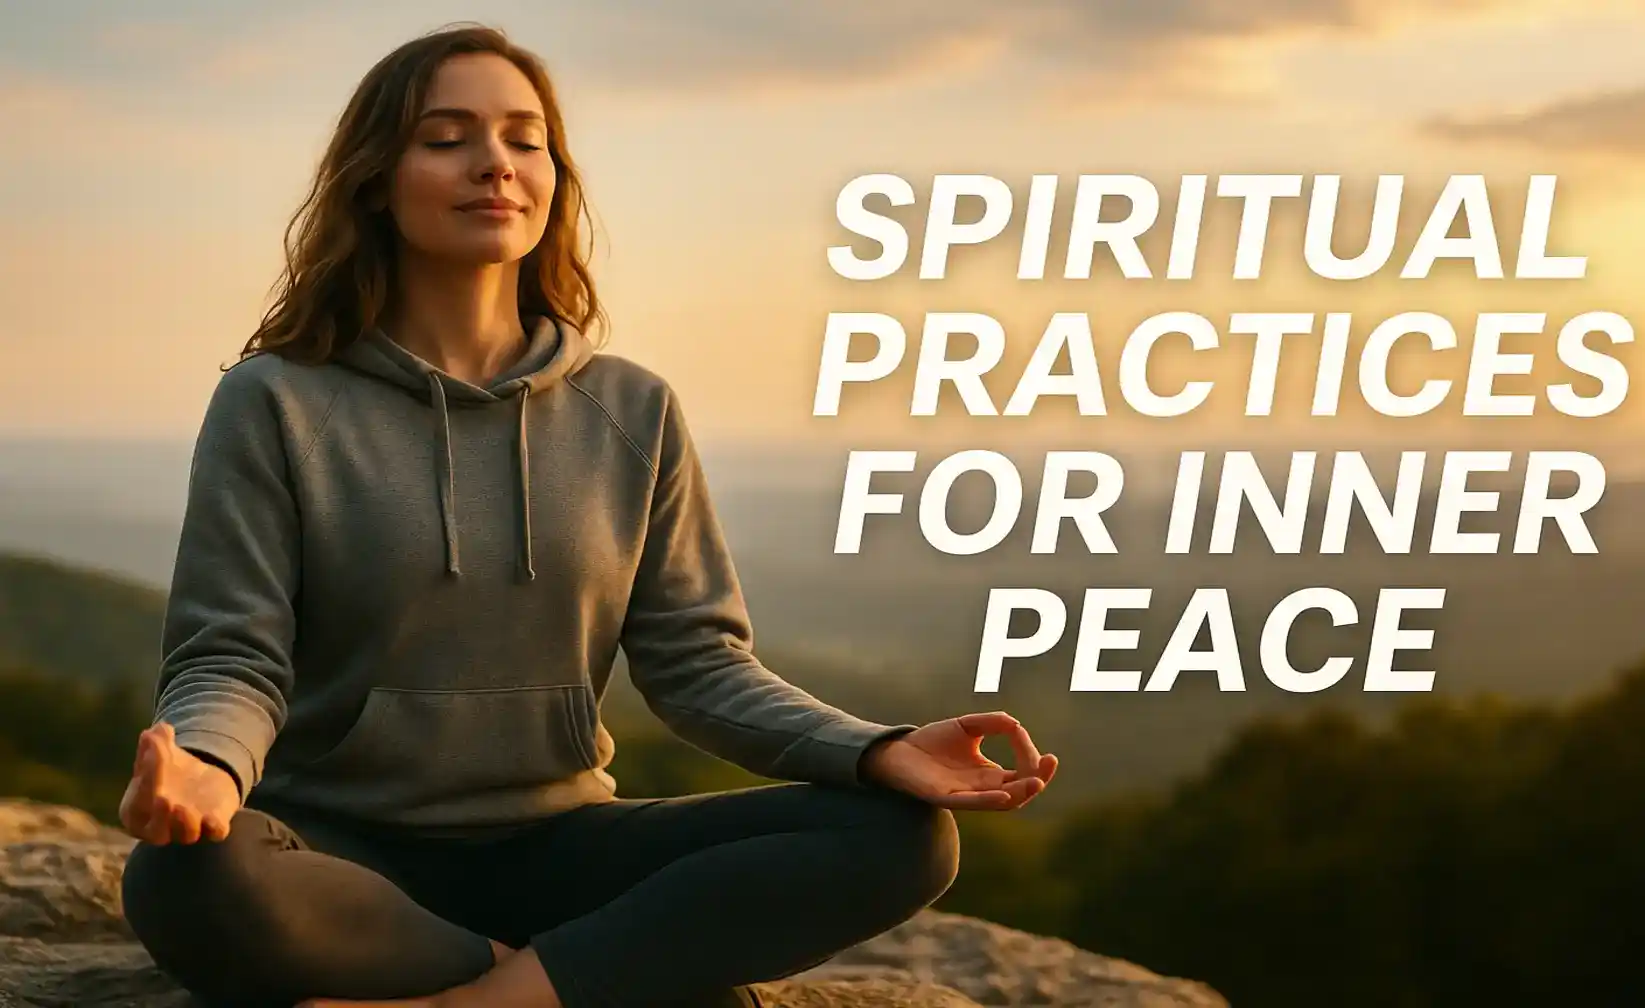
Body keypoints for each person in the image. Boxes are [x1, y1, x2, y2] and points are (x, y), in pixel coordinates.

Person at [115, 22, 1059, 1008]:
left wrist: (870, 749)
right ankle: (572, 975)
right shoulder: (277, 400)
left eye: (525, 139)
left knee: (901, 835)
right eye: (446, 138)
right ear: (375, 181)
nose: (494, 164)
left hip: (561, 845)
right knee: (182, 879)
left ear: (553, 176)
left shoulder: (630, 408)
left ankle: (488, 998)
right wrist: (212, 773)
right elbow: (234, 657)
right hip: (339, 851)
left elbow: (697, 668)